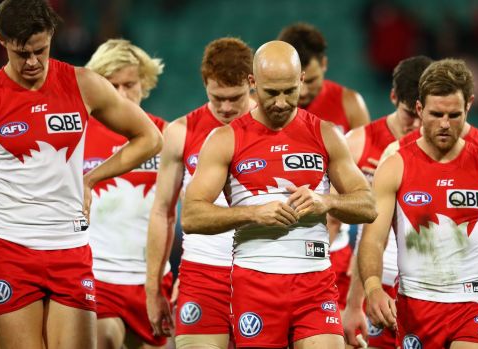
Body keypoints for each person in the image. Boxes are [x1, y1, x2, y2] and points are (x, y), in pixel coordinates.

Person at [0, 1, 162, 348]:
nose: (33, 62)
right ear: (2, 41)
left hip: (70, 250)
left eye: (40, 50)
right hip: (11, 253)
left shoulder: (83, 85)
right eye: (22, 53)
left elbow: (150, 138)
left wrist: (92, 178)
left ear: (53, 34)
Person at [181, 40, 377, 349]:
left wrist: (326, 201)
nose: (282, 103)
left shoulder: (326, 134)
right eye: (271, 93)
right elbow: (191, 215)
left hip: (315, 281)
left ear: (301, 81)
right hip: (255, 282)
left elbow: (368, 205)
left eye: (290, 90)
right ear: (252, 83)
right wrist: (252, 213)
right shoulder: (225, 139)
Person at [358, 59, 478, 348]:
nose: (444, 124)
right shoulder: (395, 166)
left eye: (454, 115)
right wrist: (373, 287)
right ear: (419, 109)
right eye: (435, 114)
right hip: (416, 306)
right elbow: (373, 239)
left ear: (469, 107)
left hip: (472, 305)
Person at [145, 37, 254, 349]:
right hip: (202, 274)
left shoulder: (275, 128)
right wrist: (153, 287)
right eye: (217, 97)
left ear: (252, 83)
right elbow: (162, 211)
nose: (226, 108)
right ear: (205, 83)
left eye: (235, 98)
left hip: (262, 272)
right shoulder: (181, 132)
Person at [83, 39, 170, 349]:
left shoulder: (167, 136)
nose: (121, 94)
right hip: (98, 276)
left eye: (129, 84)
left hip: (151, 278)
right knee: (103, 338)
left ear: (144, 82)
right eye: (111, 85)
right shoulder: (78, 135)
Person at [341, 55, 432, 348]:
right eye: (410, 114)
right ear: (394, 97)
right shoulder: (358, 142)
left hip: (426, 283)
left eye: (424, 113)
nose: (418, 124)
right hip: (370, 274)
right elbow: (331, 214)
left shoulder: (440, 149)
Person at [279, 22, 371, 310]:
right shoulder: (268, 110)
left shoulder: (350, 104)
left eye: (312, 79)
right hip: (277, 246)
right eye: (298, 80)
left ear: (325, 64)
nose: (304, 91)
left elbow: (365, 177)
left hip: (335, 245)